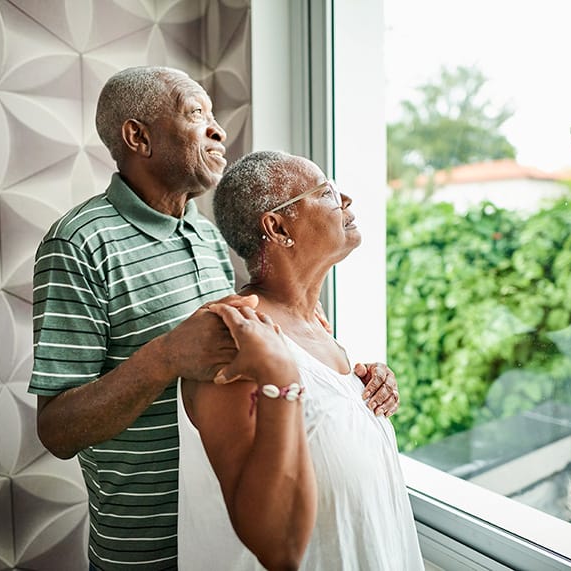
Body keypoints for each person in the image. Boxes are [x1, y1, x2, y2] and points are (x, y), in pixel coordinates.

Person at [28, 66, 400, 570]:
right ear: (138, 136)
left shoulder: (204, 237)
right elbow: (56, 431)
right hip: (147, 545)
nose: (218, 129)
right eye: (195, 113)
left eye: (213, 115)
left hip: (229, 531)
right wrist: (165, 356)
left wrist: (345, 392)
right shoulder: (78, 243)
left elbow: (242, 359)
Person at [177, 150, 423, 570]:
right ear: (277, 226)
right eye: (326, 192)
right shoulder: (232, 339)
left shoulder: (320, 328)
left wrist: (364, 398)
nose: (345, 199)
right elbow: (277, 546)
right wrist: (280, 377)